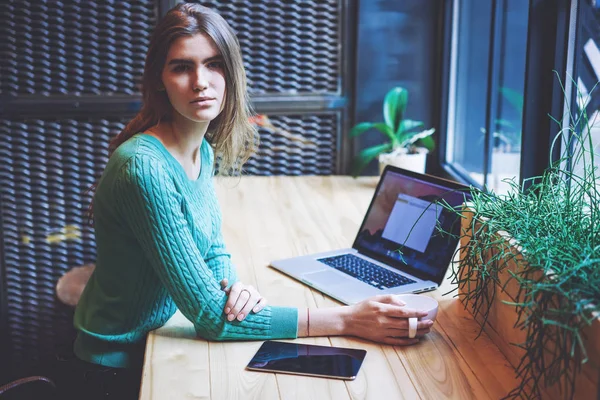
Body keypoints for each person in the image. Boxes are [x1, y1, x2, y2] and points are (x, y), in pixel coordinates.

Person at [64, 3, 434, 399]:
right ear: (159, 79)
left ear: (232, 74)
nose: (200, 82)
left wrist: (232, 285)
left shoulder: (199, 150)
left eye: (214, 64)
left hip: (160, 333)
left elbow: (213, 245)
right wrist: (348, 319)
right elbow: (210, 319)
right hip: (117, 362)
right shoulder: (144, 168)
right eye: (181, 67)